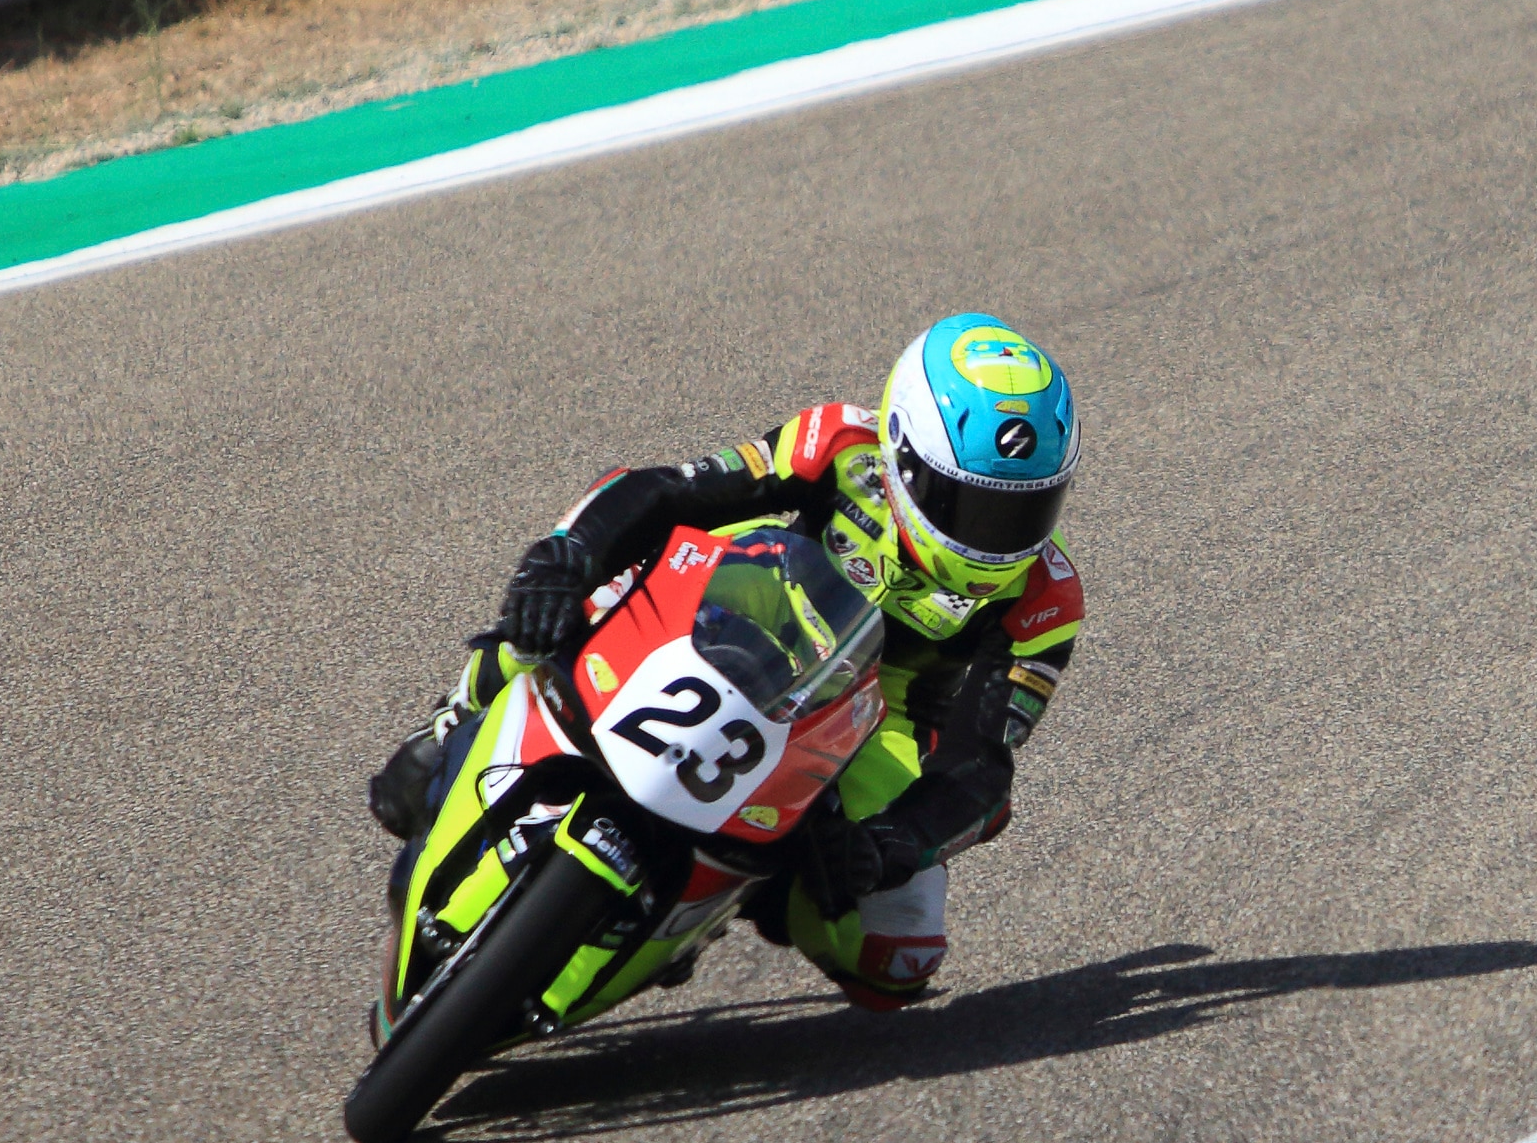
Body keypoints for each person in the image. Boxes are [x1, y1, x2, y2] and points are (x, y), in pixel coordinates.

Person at [372, 319, 1082, 1009]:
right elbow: (673, 489)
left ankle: (746, 887)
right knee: (601, 586)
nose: (994, 539)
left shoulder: (1046, 599)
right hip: (769, 596)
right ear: (902, 456)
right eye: (972, 505)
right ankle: (465, 707)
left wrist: (898, 840)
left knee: (897, 958)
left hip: (882, 711)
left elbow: (983, 767)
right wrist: (568, 554)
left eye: (1025, 511)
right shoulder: (839, 442)